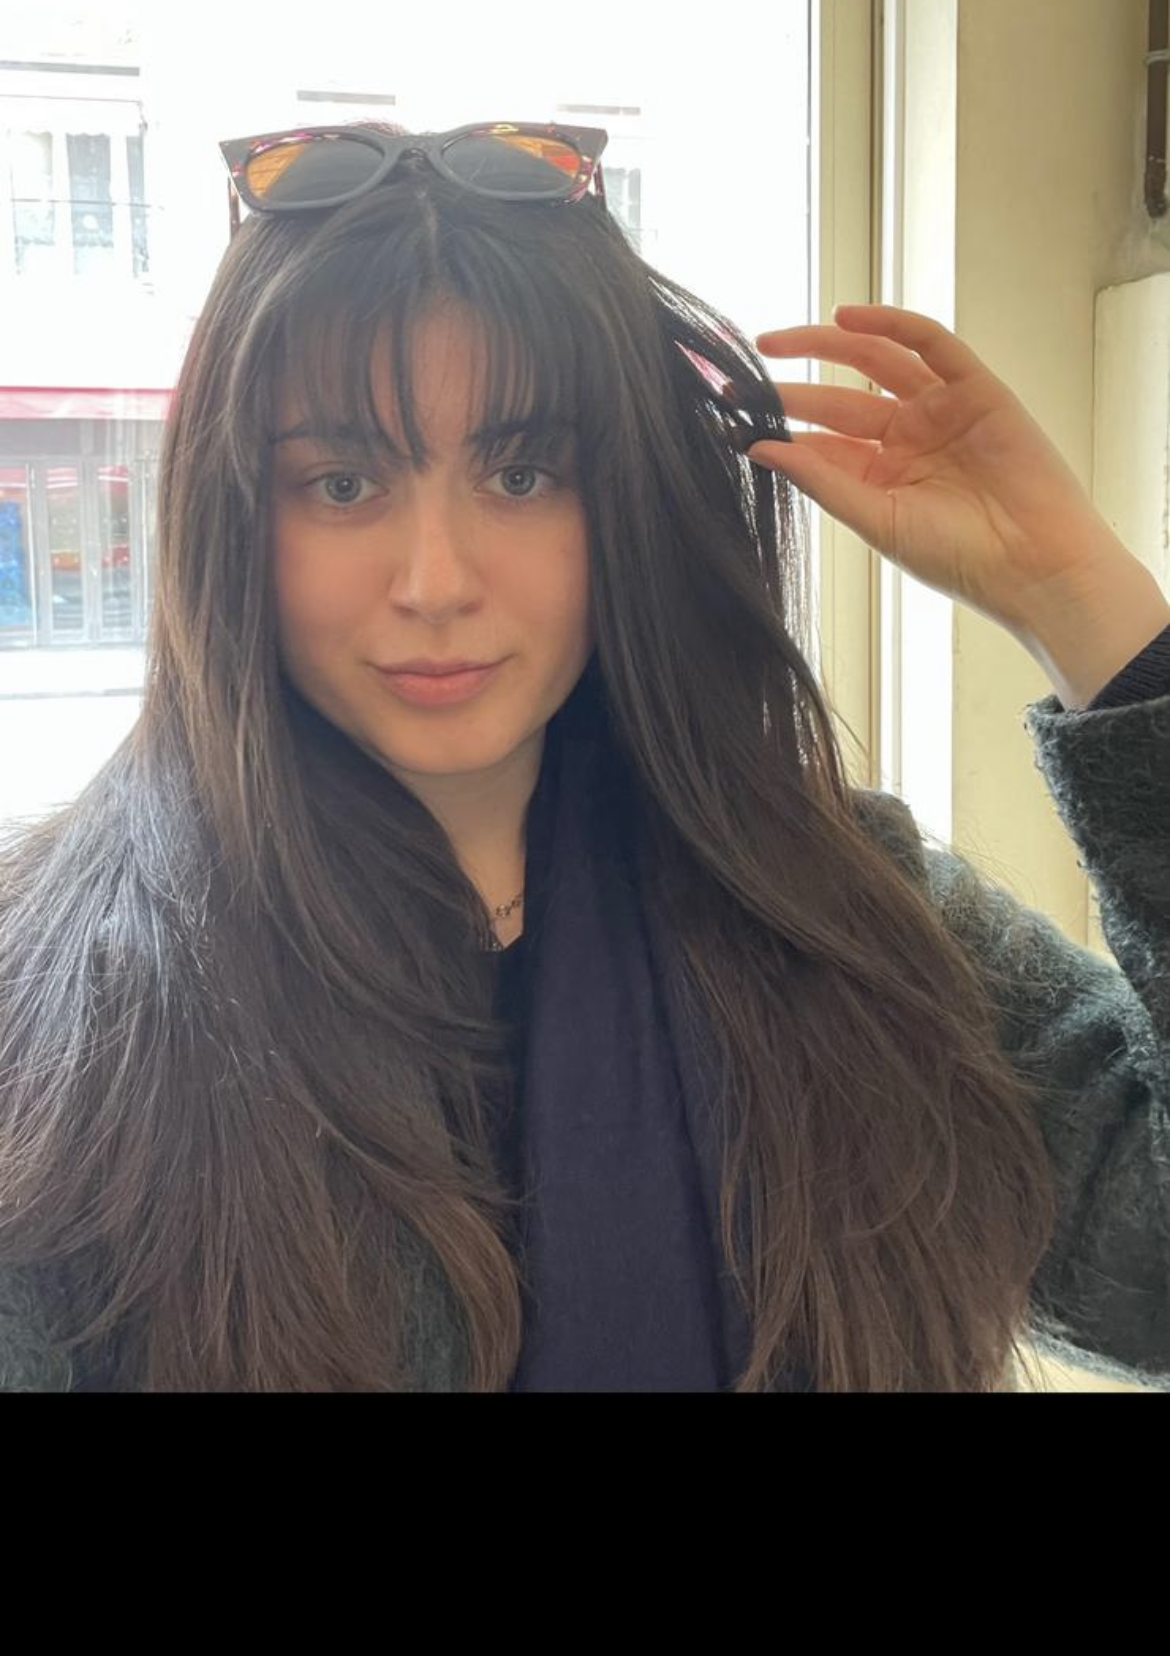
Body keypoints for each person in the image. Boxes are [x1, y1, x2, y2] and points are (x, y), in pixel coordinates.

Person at [1, 116, 1168, 1394]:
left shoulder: (827, 907)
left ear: (625, 500)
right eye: (341, 484)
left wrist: (1084, 604)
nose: (436, 581)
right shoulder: (61, 1014)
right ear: (233, 516)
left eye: (520, 475)